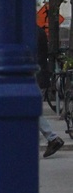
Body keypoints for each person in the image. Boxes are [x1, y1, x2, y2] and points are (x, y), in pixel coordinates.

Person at [37, 25, 65, 157]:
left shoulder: (28, 33)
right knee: (31, 110)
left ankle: (52, 138)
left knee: (31, 110)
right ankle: (51, 138)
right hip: (39, 77)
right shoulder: (38, 32)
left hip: (34, 77)